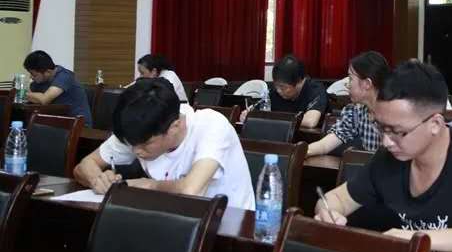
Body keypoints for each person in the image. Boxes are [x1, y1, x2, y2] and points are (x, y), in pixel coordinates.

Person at [314, 61, 452, 252]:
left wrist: (419, 239)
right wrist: (327, 212)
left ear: (435, 124)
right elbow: (337, 199)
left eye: (398, 131)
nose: (387, 142)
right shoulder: (388, 158)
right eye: (382, 129)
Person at [73, 78, 255, 210]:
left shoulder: (211, 125)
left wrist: (149, 185)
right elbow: (84, 166)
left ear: (175, 126)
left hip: (230, 229)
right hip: (171, 218)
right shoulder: (136, 128)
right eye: (131, 144)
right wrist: (98, 180)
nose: (136, 151)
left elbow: (190, 190)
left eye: (146, 144)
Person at [306, 51, 389, 157]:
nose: (347, 85)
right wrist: (297, 154)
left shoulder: (394, 114)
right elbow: (325, 145)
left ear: (367, 84)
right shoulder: (356, 112)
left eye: (350, 78)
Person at [243, 55, 328, 128]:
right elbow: (254, 111)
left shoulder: (315, 90)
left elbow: (310, 121)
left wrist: (271, 117)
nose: (278, 90)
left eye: (283, 87)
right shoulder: (275, 92)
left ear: (299, 82)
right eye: (276, 85)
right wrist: (247, 115)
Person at [23, 50, 93, 127]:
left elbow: (44, 100)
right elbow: (31, 96)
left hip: (79, 125)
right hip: (58, 121)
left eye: (34, 75)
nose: (31, 77)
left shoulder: (64, 76)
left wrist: (22, 93)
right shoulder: (41, 80)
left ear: (47, 72)